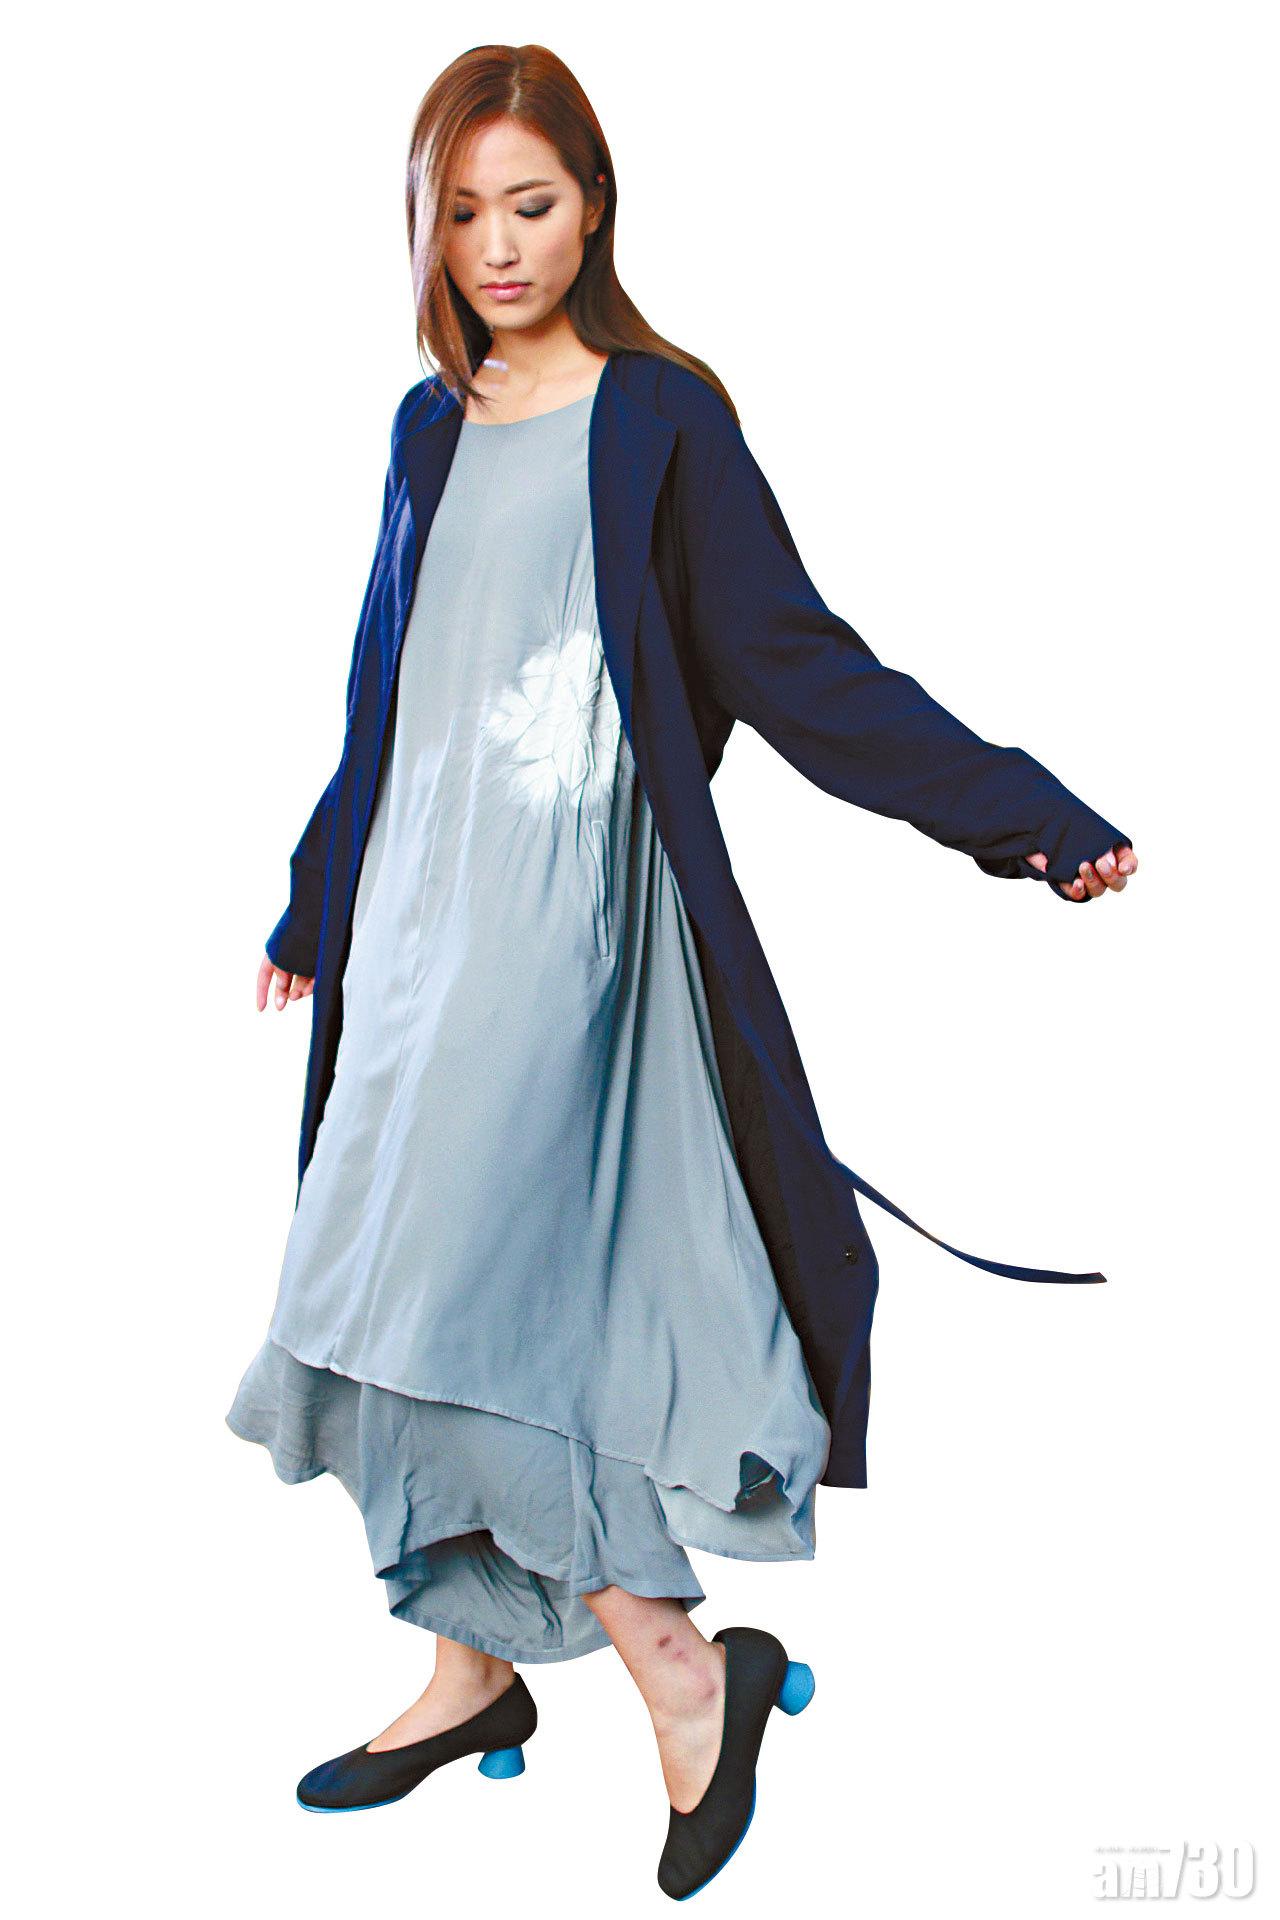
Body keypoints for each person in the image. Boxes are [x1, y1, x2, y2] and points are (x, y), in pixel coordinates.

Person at [226, 42, 1137, 1901]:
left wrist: (1023, 814)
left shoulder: (662, 421)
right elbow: (386, 695)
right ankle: (471, 1666)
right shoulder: (428, 426)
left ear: (595, 207)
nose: (497, 245)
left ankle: (678, 1669)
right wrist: (316, 901)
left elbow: (798, 664)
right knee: (367, 1285)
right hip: (414, 934)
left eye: (531, 204)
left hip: (568, 939)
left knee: (478, 1301)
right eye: (462, 212)